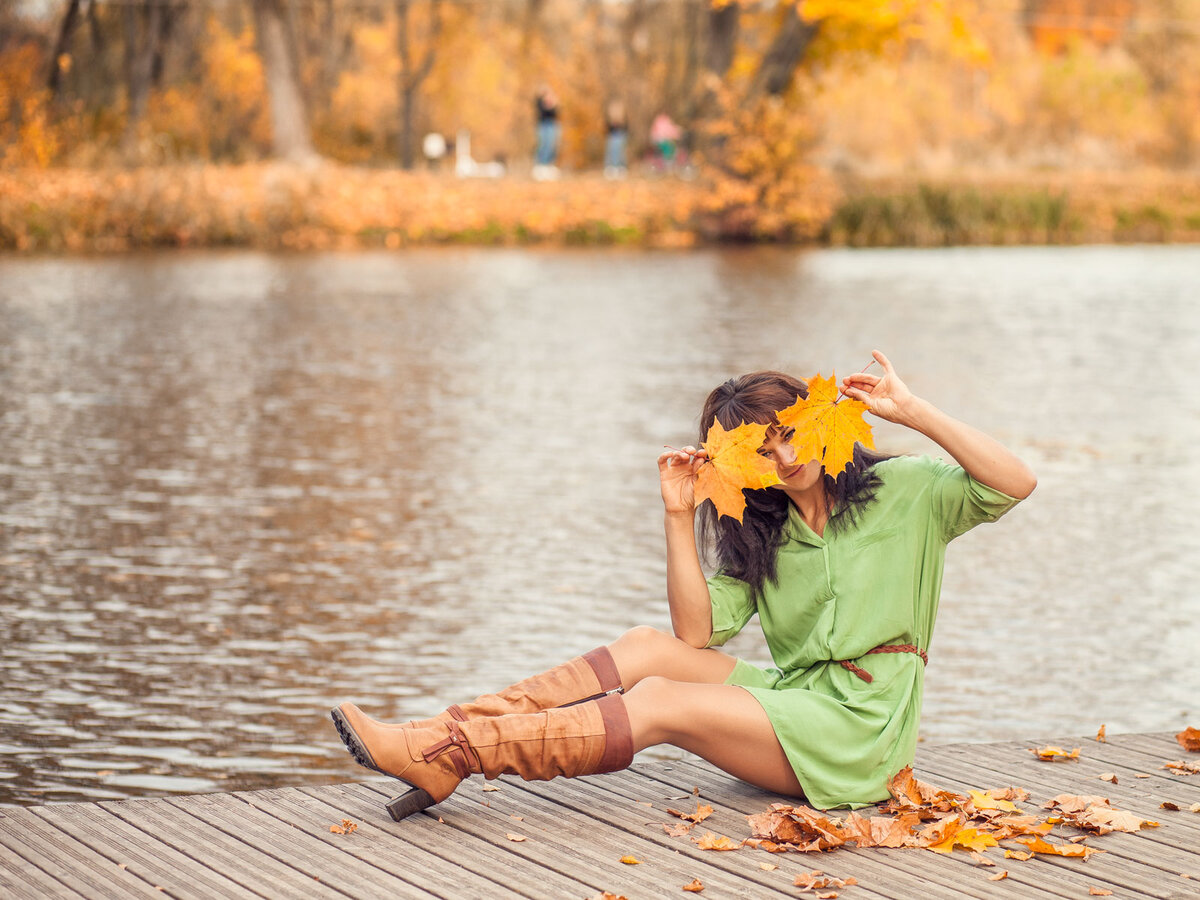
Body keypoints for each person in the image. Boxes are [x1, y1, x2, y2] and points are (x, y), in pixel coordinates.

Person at [331, 350, 1036, 821]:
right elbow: (695, 635)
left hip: (863, 735)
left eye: (788, 433)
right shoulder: (765, 533)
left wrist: (913, 412)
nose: (784, 457)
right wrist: (677, 515)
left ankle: (453, 757)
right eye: (760, 452)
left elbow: (1016, 482)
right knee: (649, 649)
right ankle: (440, 737)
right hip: (796, 703)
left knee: (661, 699)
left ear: (815, 422)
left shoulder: (903, 491)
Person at [533, 84, 561, 179]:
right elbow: (542, 112)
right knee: (543, 144)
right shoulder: (539, 102)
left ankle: (549, 165)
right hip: (543, 124)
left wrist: (553, 103)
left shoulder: (552, 102)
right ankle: (541, 165)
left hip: (552, 124)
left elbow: (555, 113)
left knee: (551, 144)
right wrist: (548, 104)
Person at [604, 99, 628, 179]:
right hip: (613, 134)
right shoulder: (610, 119)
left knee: (620, 151)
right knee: (612, 151)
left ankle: (620, 167)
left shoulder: (623, 119)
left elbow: (626, 126)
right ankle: (612, 167)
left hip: (620, 134)